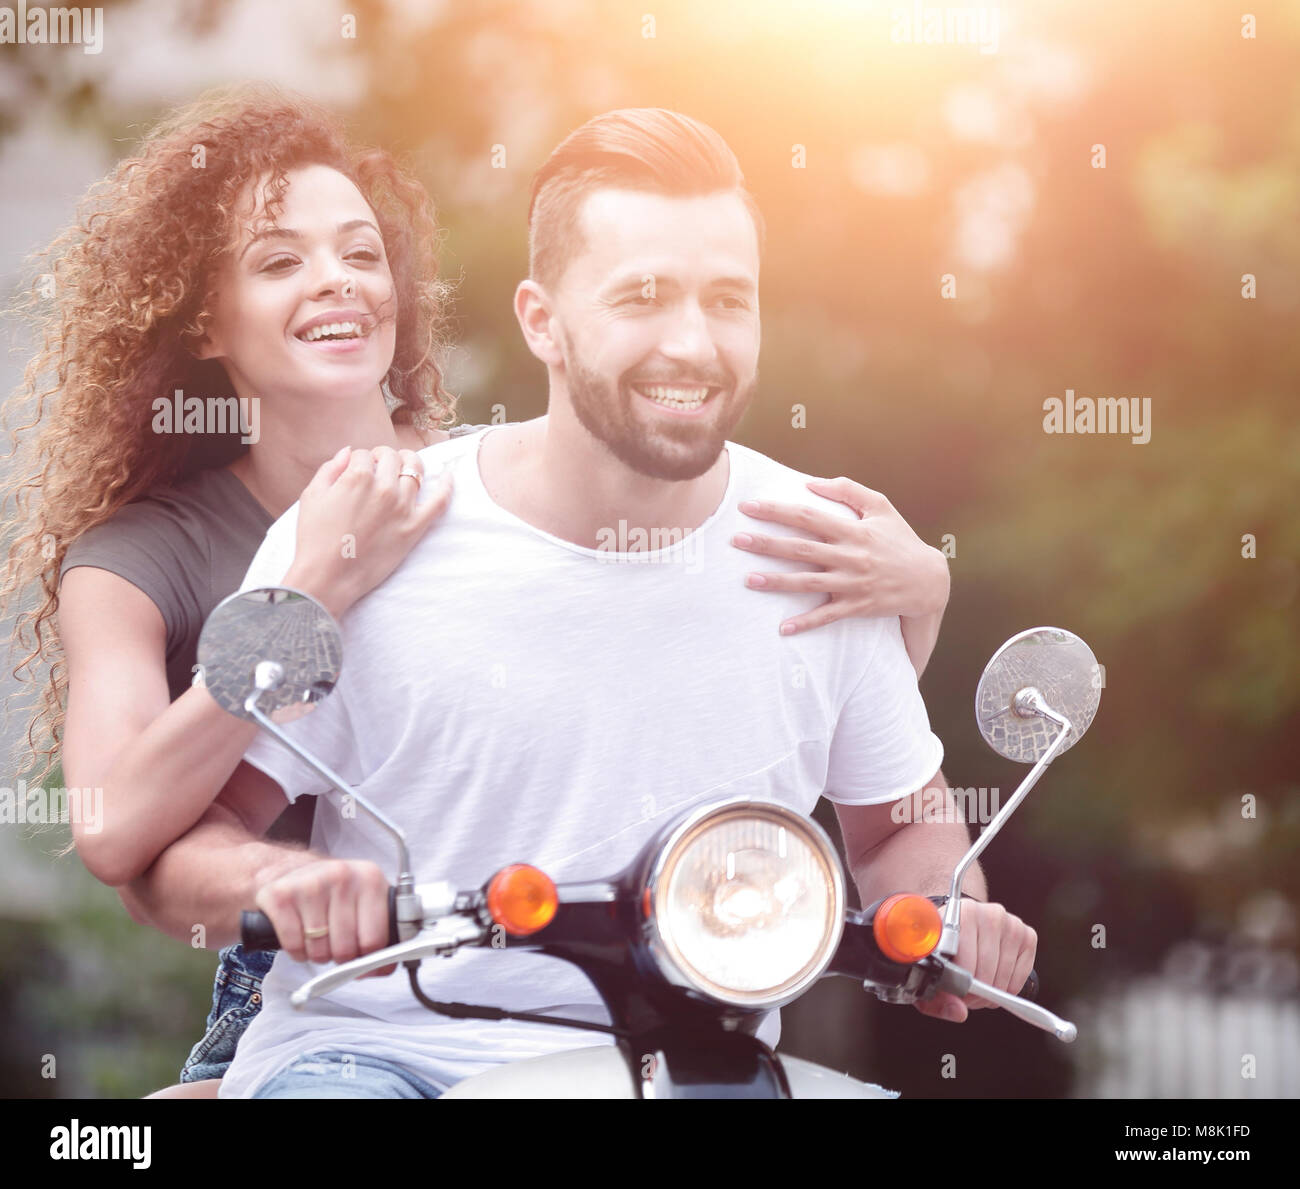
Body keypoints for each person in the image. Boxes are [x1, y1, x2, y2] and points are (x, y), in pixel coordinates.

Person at [121, 107, 998, 1099]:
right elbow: (192, 840)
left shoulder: (824, 547)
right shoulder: (370, 537)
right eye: (642, 297)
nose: (693, 343)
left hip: (693, 1067)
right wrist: (277, 883)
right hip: (382, 1061)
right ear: (541, 319)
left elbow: (896, 830)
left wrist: (949, 905)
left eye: (728, 300)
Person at [0, 83, 467, 1097]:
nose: (337, 283)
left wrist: (909, 583)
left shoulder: (496, 488)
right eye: (280, 261)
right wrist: (309, 593)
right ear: (208, 321)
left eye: (360, 253)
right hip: (292, 1002)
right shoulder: (136, 559)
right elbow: (114, 827)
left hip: (534, 957)